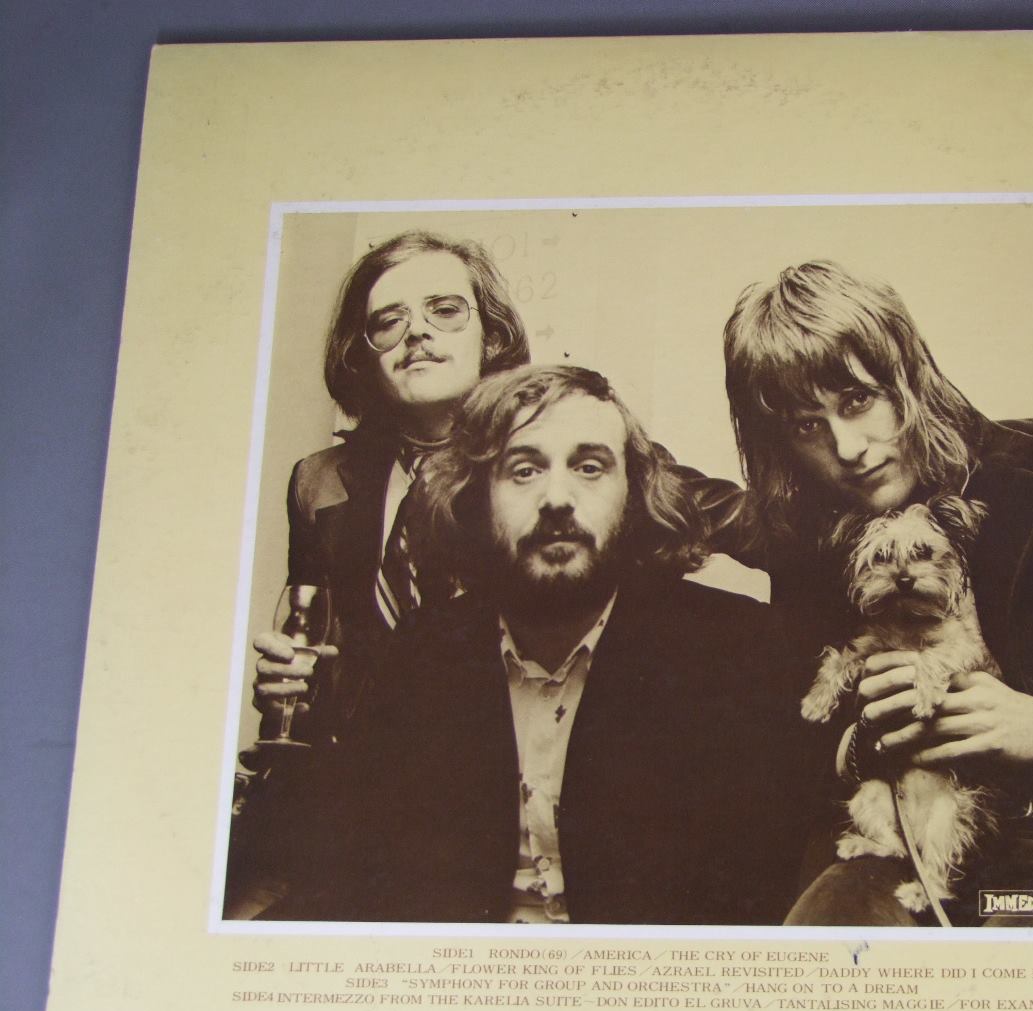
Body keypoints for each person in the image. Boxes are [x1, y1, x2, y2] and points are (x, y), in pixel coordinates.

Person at [260, 365, 809, 924]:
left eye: (590, 467)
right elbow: (353, 869)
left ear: (634, 495)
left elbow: (754, 903)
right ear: (477, 499)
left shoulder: (736, 650)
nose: (557, 499)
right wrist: (303, 720)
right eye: (523, 470)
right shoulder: (420, 654)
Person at [719, 260, 1033, 926]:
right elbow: (801, 743)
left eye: (858, 401)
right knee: (823, 938)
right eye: (807, 426)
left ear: (907, 376)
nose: (847, 447)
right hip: (903, 834)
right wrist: (867, 740)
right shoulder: (814, 541)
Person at [250, 229, 532, 744]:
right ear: (363, 356)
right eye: (388, 322)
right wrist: (291, 688)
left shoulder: (548, 462)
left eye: (444, 310)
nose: (416, 332)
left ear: (491, 337)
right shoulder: (318, 482)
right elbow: (321, 652)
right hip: (362, 776)